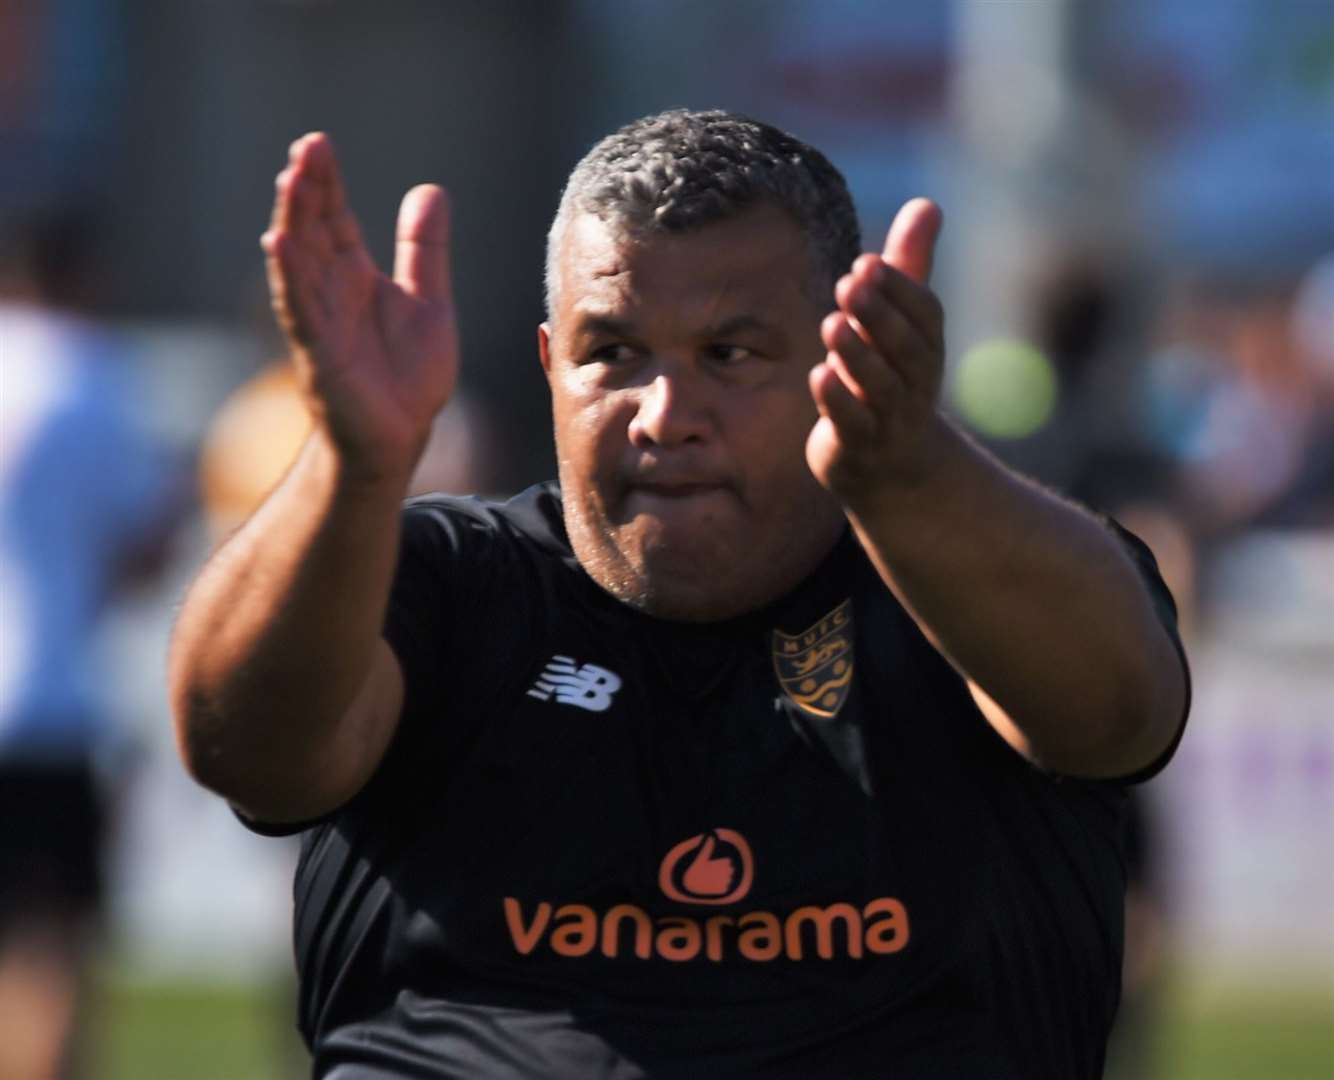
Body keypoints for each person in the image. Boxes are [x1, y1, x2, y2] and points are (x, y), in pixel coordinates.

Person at [168, 110, 1190, 1079]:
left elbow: (1113, 717)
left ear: (837, 358)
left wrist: (913, 470)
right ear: (547, 365)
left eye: (728, 355)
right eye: (610, 353)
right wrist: (351, 466)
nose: (663, 415)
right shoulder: (442, 582)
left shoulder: (960, 593)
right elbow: (242, 746)